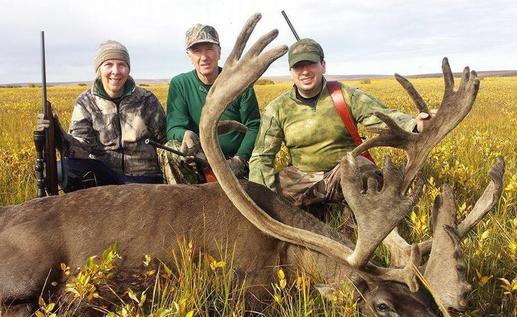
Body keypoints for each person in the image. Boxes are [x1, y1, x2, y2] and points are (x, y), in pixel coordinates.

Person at [249, 38, 430, 207]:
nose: (304, 71)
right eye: (298, 66)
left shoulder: (345, 95)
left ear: (323, 65)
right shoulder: (277, 108)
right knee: (272, 192)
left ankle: (353, 220)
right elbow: (261, 157)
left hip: (345, 172)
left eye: (311, 63)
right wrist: (261, 201)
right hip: (302, 178)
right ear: (291, 73)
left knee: (368, 177)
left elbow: (382, 116)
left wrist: (415, 124)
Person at [37, 40, 166, 192]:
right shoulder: (86, 102)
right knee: (66, 167)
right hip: (106, 176)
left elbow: (165, 140)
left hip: (145, 176)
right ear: (99, 70)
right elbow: (80, 147)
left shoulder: (146, 99)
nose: (116, 71)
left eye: (122, 65)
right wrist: (57, 133)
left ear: (128, 69)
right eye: (109, 64)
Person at [158, 23, 261, 184]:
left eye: (209, 49)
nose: (204, 57)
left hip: (236, 159)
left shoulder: (240, 82)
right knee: (171, 150)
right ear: (189, 56)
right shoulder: (180, 84)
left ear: (219, 51)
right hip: (200, 159)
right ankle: (185, 202)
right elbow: (173, 129)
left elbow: (254, 125)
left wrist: (240, 159)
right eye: (197, 51)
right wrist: (184, 134)